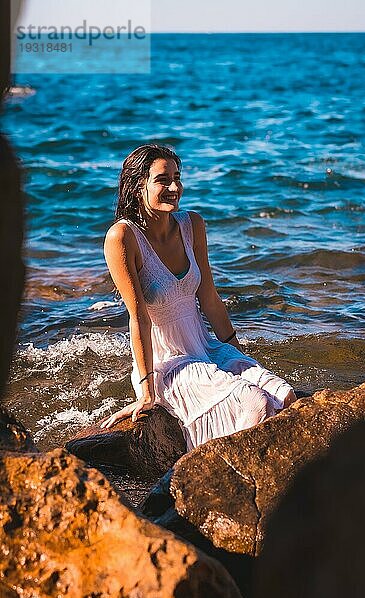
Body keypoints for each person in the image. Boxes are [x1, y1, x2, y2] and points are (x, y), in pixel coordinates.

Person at [101, 144, 296, 449]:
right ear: (138, 185)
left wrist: (236, 353)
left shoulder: (192, 225)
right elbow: (137, 317)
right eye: (163, 180)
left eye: (177, 177)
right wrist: (147, 391)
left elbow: (209, 296)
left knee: (284, 395)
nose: (175, 187)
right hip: (169, 363)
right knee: (255, 403)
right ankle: (223, 477)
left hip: (205, 347)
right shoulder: (123, 237)